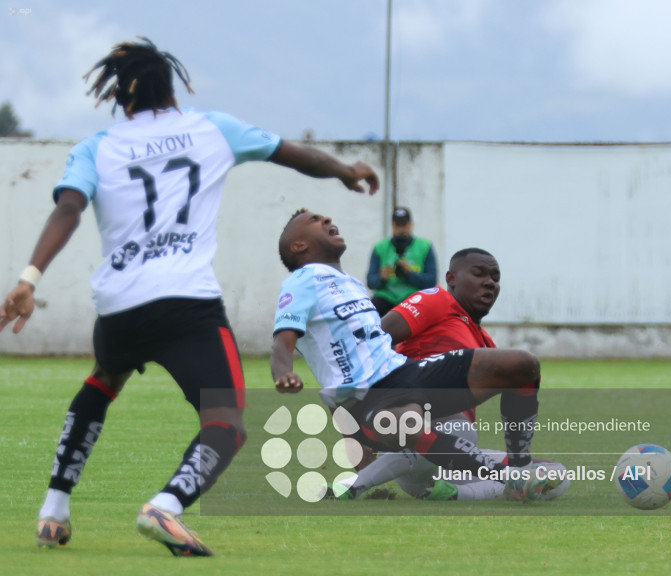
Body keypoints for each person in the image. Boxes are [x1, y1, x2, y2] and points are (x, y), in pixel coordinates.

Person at [0, 38, 378, 557]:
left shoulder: (97, 146)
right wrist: (345, 170)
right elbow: (295, 155)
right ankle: (166, 506)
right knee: (226, 422)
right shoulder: (211, 128)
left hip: (119, 303)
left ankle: (54, 509)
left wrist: (29, 278)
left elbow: (68, 209)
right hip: (186, 303)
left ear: (121, 98)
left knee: (103, 380)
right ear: (171, 89)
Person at [271, 210, 547, 502]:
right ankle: (507, 476)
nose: (326, 220)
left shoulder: (350, 283)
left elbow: (377, 340)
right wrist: (283, 373)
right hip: (368, 397)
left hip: (406, 374)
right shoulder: (300, 282)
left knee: (521, 365)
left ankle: (519, 465)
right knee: (405, 421)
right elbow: (282, 340)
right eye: (315, 221)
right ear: (299, 246)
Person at [330, 248, 569, 502]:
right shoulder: (438, 300)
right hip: (413, 433)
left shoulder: (487, 345)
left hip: (453, 457)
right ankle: (355, 484)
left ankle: (451, 494)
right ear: (451, 278)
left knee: (556, 475)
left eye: (495, 278)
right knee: (459, 429)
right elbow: (374, 341)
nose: (490, 282)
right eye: (479, 274)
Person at [366, 206, 437, 316]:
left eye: (404, 225)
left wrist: (409, 274)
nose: (401, 230)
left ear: (411, 225)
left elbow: (431, 281)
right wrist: (381, 277)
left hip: (413, 297)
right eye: (397, 225)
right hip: (386, 297)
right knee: (370, 311)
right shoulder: (380, 247)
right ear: (392, 226)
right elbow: (370, 282)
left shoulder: (425, 246)